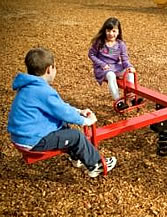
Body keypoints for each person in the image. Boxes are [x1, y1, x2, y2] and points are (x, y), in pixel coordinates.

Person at [8, 47, 117, 178]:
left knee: (62, 124)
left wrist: (78, 111)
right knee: (75, 136)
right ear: (49, 69)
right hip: (31, 140)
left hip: (23, 136)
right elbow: (63, 111)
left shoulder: (29, 87)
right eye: (55, 68)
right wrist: (85, 120)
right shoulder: (43, 91)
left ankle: (77, 156)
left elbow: (59, 107)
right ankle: (96, 165)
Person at [88, 17, 142, 111]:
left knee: (129, 72)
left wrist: (129, 67)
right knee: (111, 75)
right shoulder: (100, 43)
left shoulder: (120, 44)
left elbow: (125, 59)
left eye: (114, 31)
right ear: (105, 30)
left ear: (118, 32)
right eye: (108, 31)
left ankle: (132, 97)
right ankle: (118, 102)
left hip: (116, 67)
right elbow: (91, 54)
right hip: (103, 69)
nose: (111, 34)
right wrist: (102, 64)